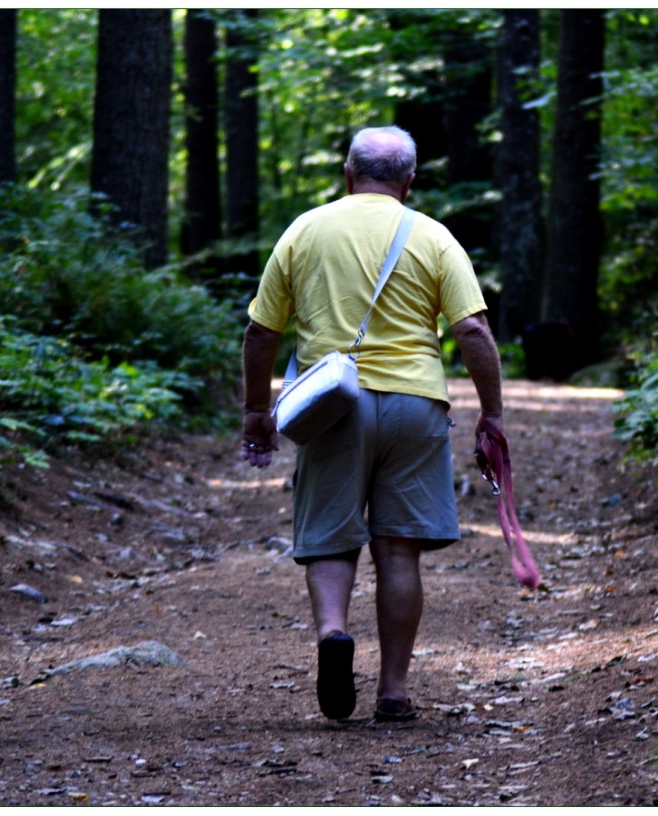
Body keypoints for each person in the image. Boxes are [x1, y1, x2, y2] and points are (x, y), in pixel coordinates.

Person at [239, 125, 505, 723]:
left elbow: (261, 331)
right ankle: (394, 691)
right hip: (415, 403)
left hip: (334, 404)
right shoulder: (434, 236)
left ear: (347, 173)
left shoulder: (306, 229)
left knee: (330, 535)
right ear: (410, 183)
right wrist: (492, 414)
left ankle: (334, 633)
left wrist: (257, 410)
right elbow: (472, 332)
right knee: (399, 547)